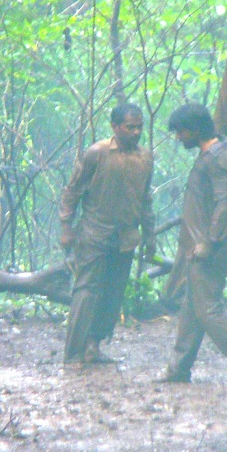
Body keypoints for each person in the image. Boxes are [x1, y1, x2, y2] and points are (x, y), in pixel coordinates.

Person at [157, 103, 227, 384]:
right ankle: (178, 369)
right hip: (199, 247)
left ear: (196, 130)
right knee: (192, 310)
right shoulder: (210, 155)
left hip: (210, 248)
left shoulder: (219, 159)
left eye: (181, 131)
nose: (178, 137)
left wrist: (209, 242)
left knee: (208, 310)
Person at [59, 102, 155, 364]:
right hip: (94, 234)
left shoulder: (145, 157)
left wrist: (150, 235)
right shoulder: (97, 153)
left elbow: (146, 199)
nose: (136, 132)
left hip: (126, 237)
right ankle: (74, 351)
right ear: (115, 127)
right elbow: (73, 190)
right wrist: (66, 226)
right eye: (130, 127)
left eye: (139, 127)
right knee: (86, 291)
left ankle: (94, 345)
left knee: (113, 293)